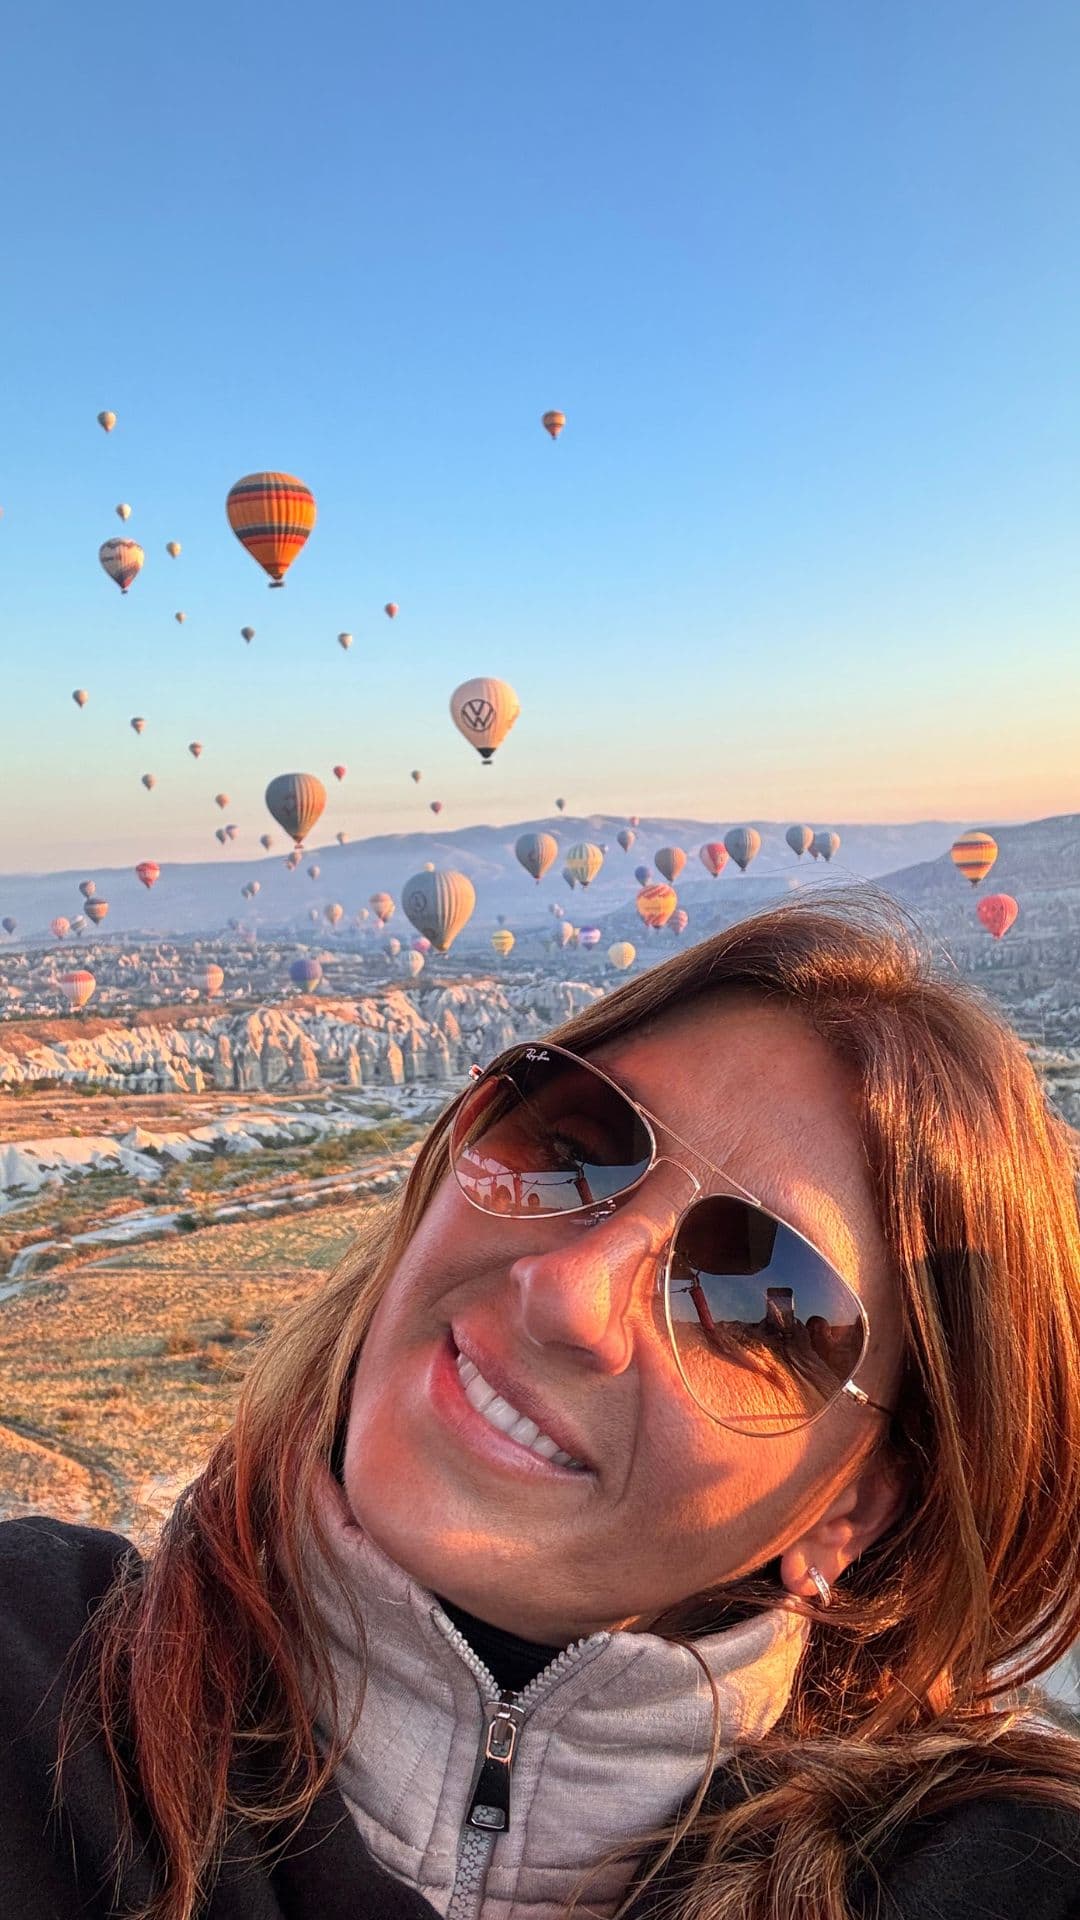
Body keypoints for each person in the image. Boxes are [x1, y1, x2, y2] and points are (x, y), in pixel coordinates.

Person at [2, 896, 1079, 1920]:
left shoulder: (1007, 1866)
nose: (564, 1292)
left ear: (852, 1511)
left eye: (753, 1304)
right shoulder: (35, 1677)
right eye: (569, 1146)